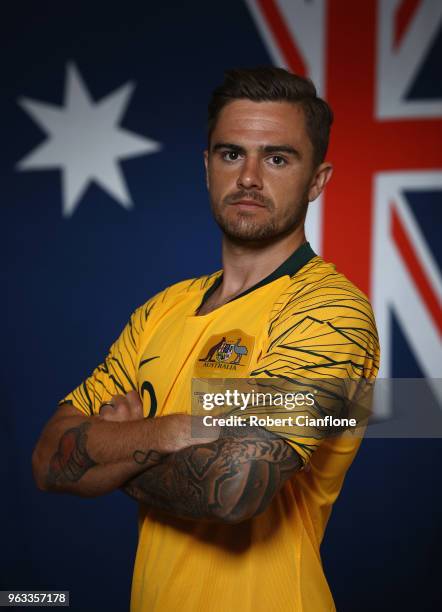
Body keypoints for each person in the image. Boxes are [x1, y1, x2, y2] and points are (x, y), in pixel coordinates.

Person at [32, 66, 380, 612]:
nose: (248, 177)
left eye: (278, 158)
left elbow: (236, 487)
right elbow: (48, 458)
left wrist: (112, 448)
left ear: (317, 180)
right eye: (231, 153)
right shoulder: (159, 311)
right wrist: (175, 431)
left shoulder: (330, 312)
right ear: (206, 166)